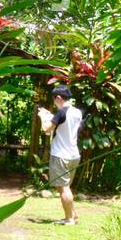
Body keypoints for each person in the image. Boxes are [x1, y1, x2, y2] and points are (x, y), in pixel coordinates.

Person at [37, 85, 82, 225]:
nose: (53, 101)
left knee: (63, 187)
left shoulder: (61, 113)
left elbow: (47, 130)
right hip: (74, 155)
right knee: (63, 185)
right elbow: (63, 123)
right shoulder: (76, 112)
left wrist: (42, 117)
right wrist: (50, 115)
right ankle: (73, 214)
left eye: (54, 98)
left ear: (58, 98)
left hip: (61, 155)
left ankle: (69, 219)